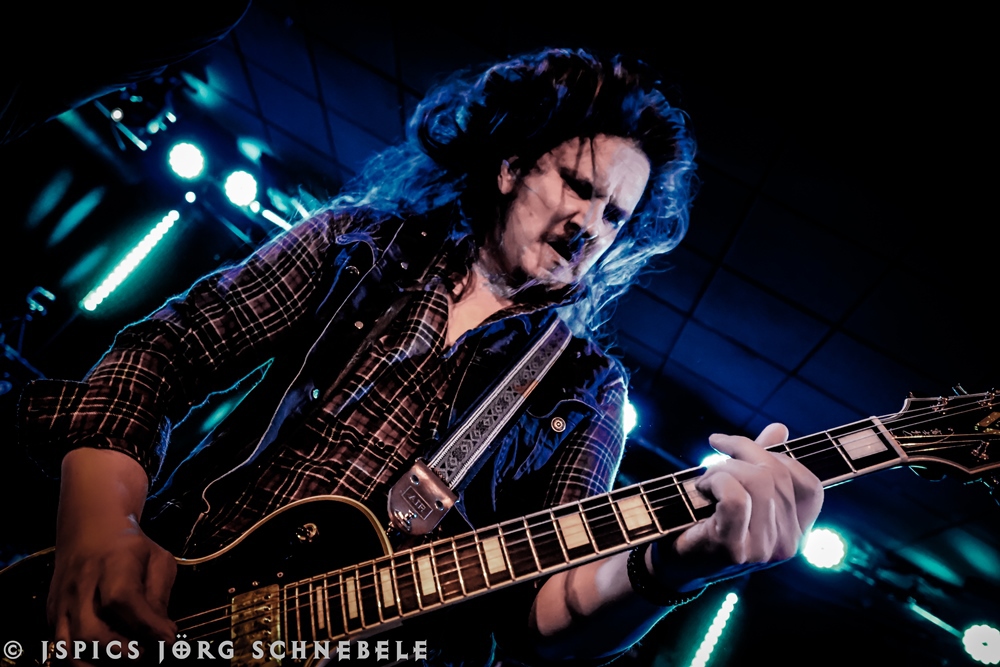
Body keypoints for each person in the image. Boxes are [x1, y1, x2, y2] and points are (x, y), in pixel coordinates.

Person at [19, 48, 823, 665]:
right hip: (162, 612)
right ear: (511, 165)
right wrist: (102, 525)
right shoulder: (358, 246)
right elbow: (167, 352)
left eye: (615, 216)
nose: (590, 225)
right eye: (579, 186)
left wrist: (679, 563)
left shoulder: (585, 389)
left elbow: (552, 605)